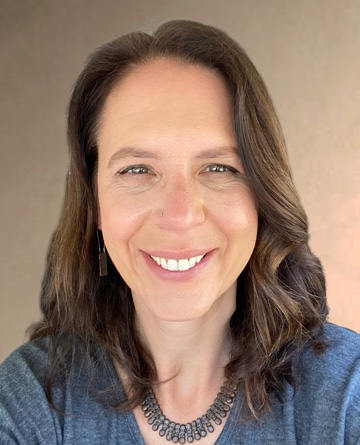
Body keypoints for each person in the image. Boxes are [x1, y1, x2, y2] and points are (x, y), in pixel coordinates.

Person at [0, 19, 359, 445]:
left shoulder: (344, 397)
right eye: (137, 169)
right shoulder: (33, 398)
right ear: (94, 204)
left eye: (219, 168)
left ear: (263, 196)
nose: (181, 215)